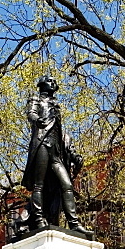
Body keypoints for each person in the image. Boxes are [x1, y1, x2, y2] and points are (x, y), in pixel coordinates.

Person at [22, 76, 91, 235]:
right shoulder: (36, 99)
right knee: (39, 185)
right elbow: (30, 113)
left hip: (56, 151)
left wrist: (73, 155)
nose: (54, 83)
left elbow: (60, 133)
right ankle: (38, 219)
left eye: (54, 81)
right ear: (42, 84)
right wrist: (36, 119)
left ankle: (74, 223)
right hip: (42, 144)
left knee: (66, 185)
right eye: (50, 81)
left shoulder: (56, 106)